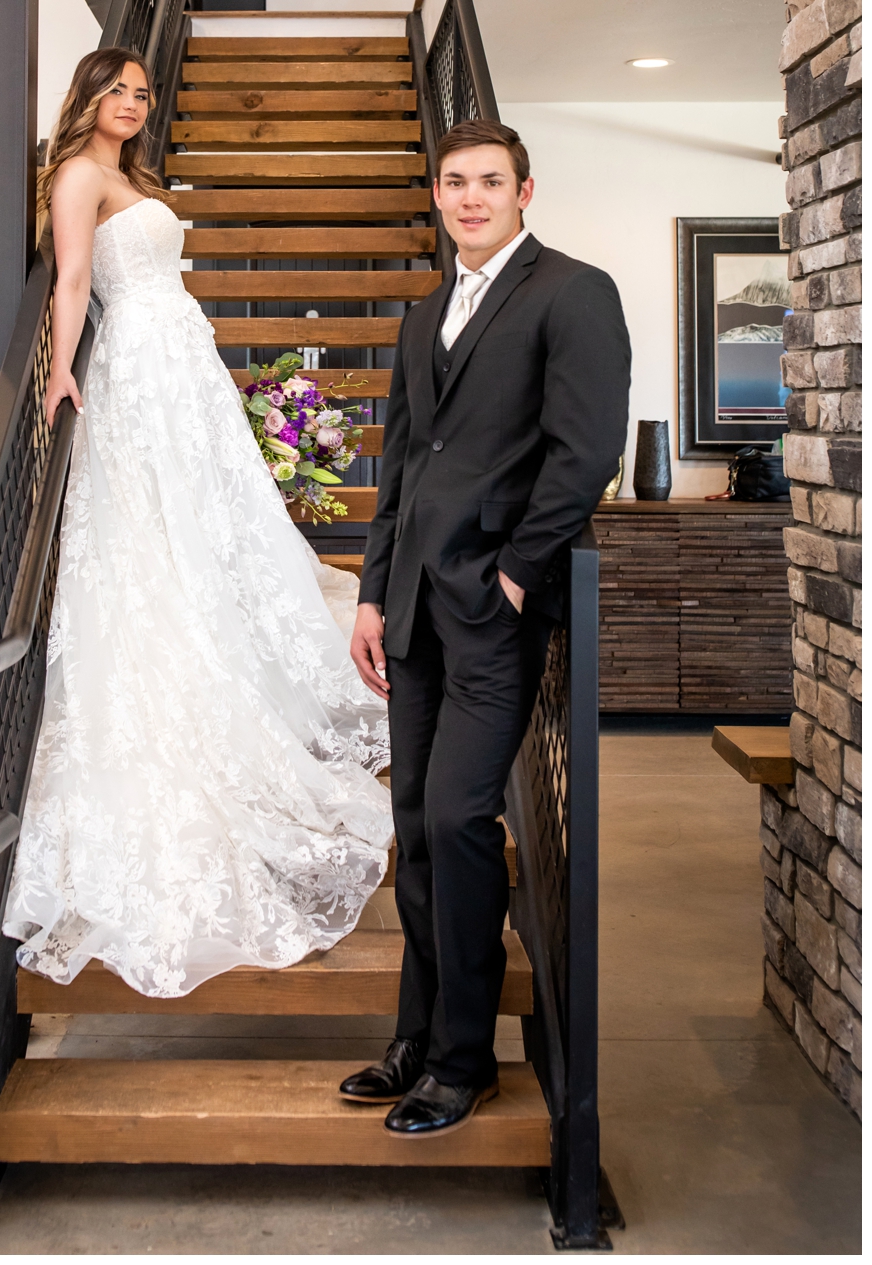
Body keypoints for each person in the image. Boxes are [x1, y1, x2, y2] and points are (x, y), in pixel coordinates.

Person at [2, 48, 393, 999]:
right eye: (117, 91)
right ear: (87, 97)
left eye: (141, 93)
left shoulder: (133, 175)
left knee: (212, 521)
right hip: (134, 357)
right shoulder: (76, 175)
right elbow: (71, 280)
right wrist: (59, 367)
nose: (132, 104)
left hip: (182, 357)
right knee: (151, 531)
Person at [342, 120, 627, 1136]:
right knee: (414, 826)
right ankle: (418, 1039)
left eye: (490, 182)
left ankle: (469, 1060)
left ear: (525, 191)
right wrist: (373, 592)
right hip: (414, 606)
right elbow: (403, 469)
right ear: (439, 194)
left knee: (464, 821)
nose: (471, 197)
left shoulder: (572, 292)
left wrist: (515, 573)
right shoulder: (425, 316)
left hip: (495, 610)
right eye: (455, 182)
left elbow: (585, 450)